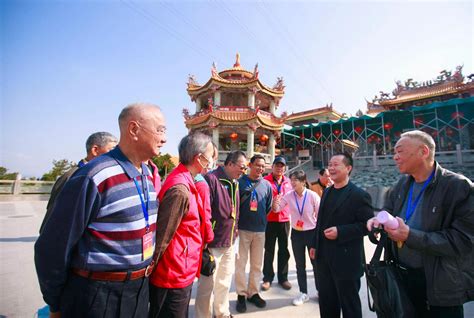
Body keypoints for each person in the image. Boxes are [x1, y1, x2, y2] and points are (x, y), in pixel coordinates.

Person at [35, 103, 166, 318]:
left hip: (139, 291)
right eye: (160, 130)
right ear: (133, 129)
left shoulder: (147, 175)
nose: (164, 138)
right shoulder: (93, 176)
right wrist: (55, 304)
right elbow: (52, 247)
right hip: (98, 295)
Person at [367, 130, 474, 318]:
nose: (395, 157)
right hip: (402, 279)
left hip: (440, 284)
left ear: (424, 151)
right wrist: (377, 221)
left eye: (400, 151)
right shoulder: (401, 185)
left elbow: (463, 240)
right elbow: (388, 210)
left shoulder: (458, 187)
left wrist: (409, 236)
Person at [149, 132, 214, 318]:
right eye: (209, 158)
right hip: (172, 272)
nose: (210, 162)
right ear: (199, 158)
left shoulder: (187, 181)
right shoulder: (180, 189)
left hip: (181, 266)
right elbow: (163, 235)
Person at [309, 153, 373, 318]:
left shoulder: (359, 195)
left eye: (336, 164)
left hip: (347, 261)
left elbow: (366, 227)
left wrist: (341, 231)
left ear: (348, 168)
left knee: (349, 305)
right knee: (327, 302)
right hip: (324, 259)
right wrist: (314, 244)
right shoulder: (328, 192)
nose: (331, 168)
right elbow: (320, 221)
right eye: (330, 164)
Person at [195, 150, 247, 318]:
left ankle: (222, 312)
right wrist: (205, 241)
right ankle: (203, 315)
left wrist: (236, 228)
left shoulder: (235, 182)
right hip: (213, 243)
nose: (243, 171)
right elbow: (204, 214)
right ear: (230, 164)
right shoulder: (211, 180)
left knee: (224, 282)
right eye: (241, 167)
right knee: (207, 285)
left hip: (230, 240)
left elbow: (235, 209)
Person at [39, 131, 117, 233]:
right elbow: (53, 215)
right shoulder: (72, 176)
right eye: (111, 150)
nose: (115, 155)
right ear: (95, 150)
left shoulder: (103, 175)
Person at [272, 170, 320, 306]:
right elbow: (277, 210)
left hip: (311, 232)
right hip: (297, 233)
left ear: (303, 181)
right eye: (291, 180)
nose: (292, 183)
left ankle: (320, 290)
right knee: (300, 265)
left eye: (295, 180)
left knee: (316, 264)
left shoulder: (312, 196)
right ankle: (303, 293)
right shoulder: (288, 196)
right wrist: (275, 203)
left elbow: (321, 216)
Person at [235, 154, 273, 313]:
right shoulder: (239, 182)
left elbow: (268, 207)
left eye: (263, 167)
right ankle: (241, 295)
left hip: (260, 231)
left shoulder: (267, 185)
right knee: (241, 265)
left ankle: (253, 293)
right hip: (242, 230)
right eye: (257, 165)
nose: (260, 169)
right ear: (250, 165)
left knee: (257, 265)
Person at [261, 156, 293, 291]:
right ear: (272, 167)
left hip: (284, 220)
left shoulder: (289, 182)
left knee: (284, 250)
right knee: (269, 250)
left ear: (284, 168)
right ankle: (267, 278)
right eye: (277, 165)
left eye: (282, 166)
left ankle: (283, 278)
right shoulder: (265, 181)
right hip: (270, 221)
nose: (279, 168)